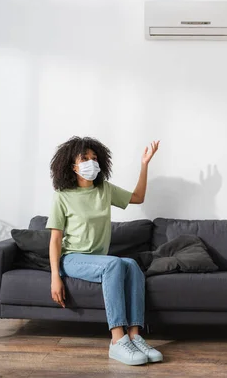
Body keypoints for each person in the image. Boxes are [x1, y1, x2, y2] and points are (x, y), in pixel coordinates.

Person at [46, 136, 163, 366]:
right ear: (73, 165)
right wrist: (55, 277)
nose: (91, 162)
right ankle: (117, 340)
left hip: (98, 259)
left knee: (131, 264)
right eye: (85, 158)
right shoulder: (62, 196)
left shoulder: (104, 190)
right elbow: (55, 240)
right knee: (114, 264)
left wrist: (144, 164)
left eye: (94, 158)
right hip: (72, 259)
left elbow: (138, 197)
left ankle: (135, 335)